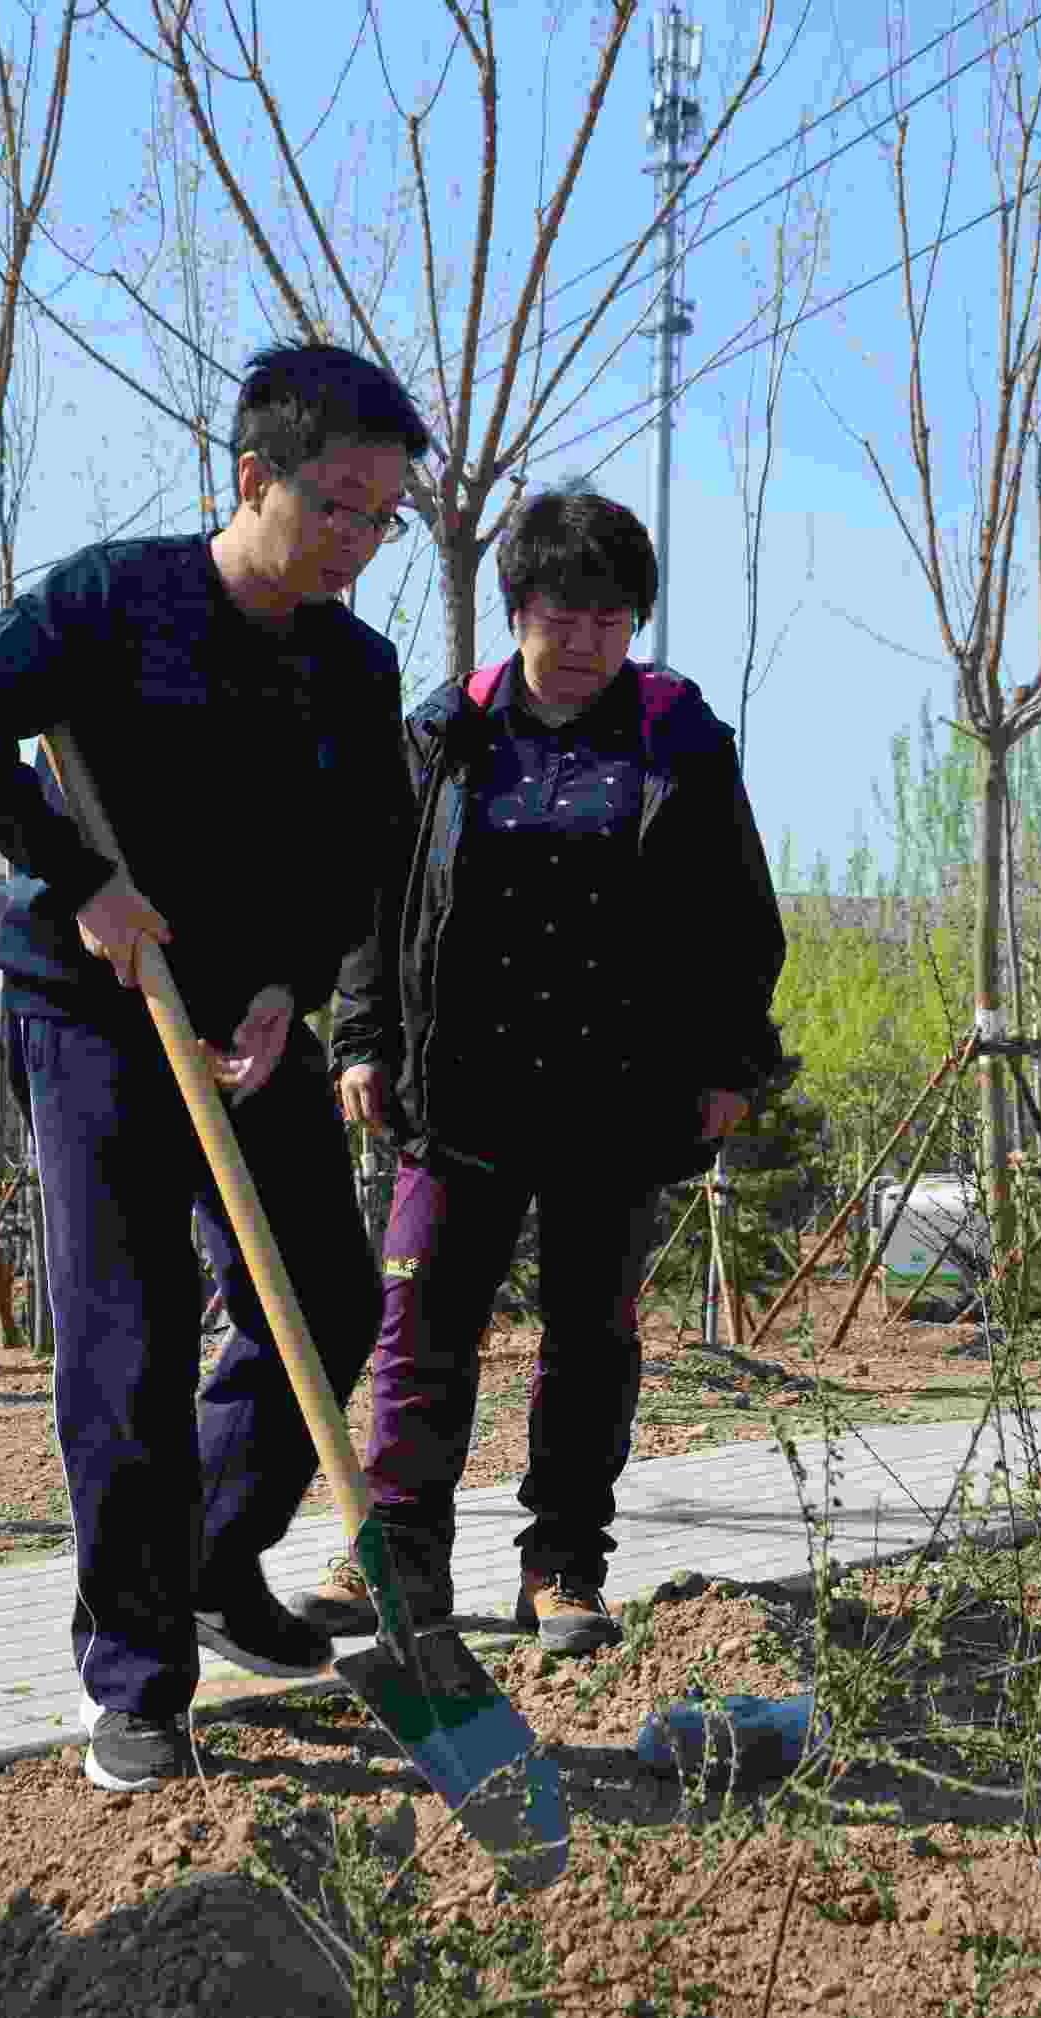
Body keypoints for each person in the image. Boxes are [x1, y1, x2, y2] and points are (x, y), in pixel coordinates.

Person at [0, 342, 429, 1789]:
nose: (359, 540)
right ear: (254, 476)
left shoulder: (353, 667)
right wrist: (78, 879)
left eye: (384, 518)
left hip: (245, 1023)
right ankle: (133, 1674)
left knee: (326, 1292)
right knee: (125, 1340)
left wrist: (284, 988)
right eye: (340, 504)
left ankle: (208, 1554)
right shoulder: (112, 600)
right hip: (95, 1009)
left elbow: (362, 856)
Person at [294, 487, 788, 1657]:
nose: (584, 643)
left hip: (616, 1092)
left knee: (590, 1334)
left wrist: (730, 1061)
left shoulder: (679, 739)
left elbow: (738, 916)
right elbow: (379, 898)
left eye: (610, 621)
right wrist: (362, 1037)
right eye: (562, 617)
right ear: (516, 610)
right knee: (420, 1318)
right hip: (461, 1084)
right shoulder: (445, 734)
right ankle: (394, 1548)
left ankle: (562, 1562)